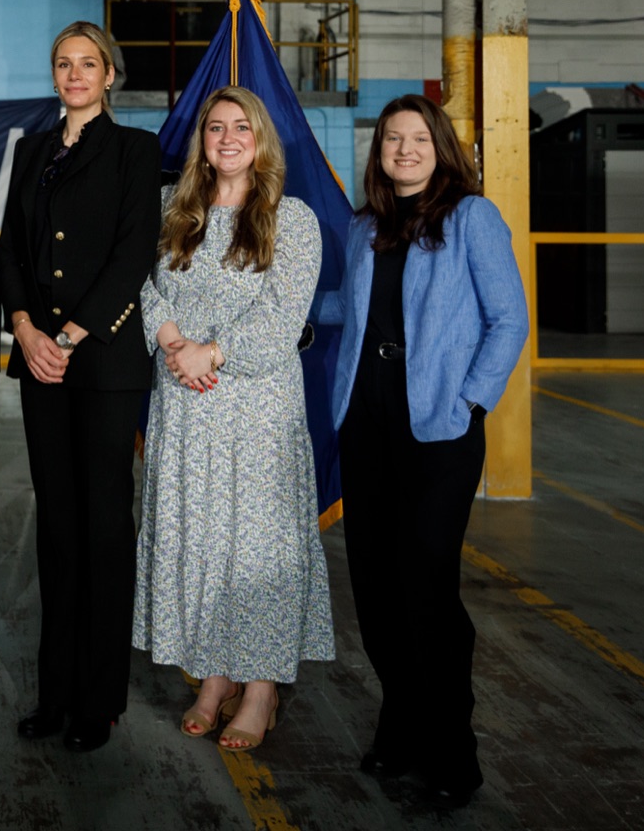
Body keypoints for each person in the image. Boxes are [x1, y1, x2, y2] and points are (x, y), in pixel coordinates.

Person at [322, 93, 527, 808]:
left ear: (440, 147)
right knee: (374, 585)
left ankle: (452, 750)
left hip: (439, 425)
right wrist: (281, 309)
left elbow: (508, 319)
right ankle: (401, 721)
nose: (404, 150)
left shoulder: (471, 218)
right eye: (392, 140)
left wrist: (471, 399)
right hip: (366, 420)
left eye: (418, 139)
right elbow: (349, 306)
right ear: (378, 151)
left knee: (426, 582)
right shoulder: (365, 225)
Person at [132, 86, 334, 753]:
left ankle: (260, 689)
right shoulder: (173, 209)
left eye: (241, 127)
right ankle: (215, 677)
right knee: (200, 540)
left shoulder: (290, 219)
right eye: (215, 127)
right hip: (184, 404)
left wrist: (210, 351)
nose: (227, 138)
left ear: (261, 140)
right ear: (202, 140)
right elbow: (143, 283)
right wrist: (172, 342)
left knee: (256, 547)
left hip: (255, 407)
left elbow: (282, 315)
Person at [0, 20, 161, 752]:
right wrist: (25, 328)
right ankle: (54, 693)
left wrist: (68, 337)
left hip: (102, 365)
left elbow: (133, 254)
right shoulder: (31, 150)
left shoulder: (134, 151)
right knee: (58, 528)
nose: (74, 74)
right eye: (63, 63)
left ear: (109, 75)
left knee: (103, 528)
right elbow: (12, 251)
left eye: (87, 63)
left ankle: (98, 700)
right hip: (39, 363)